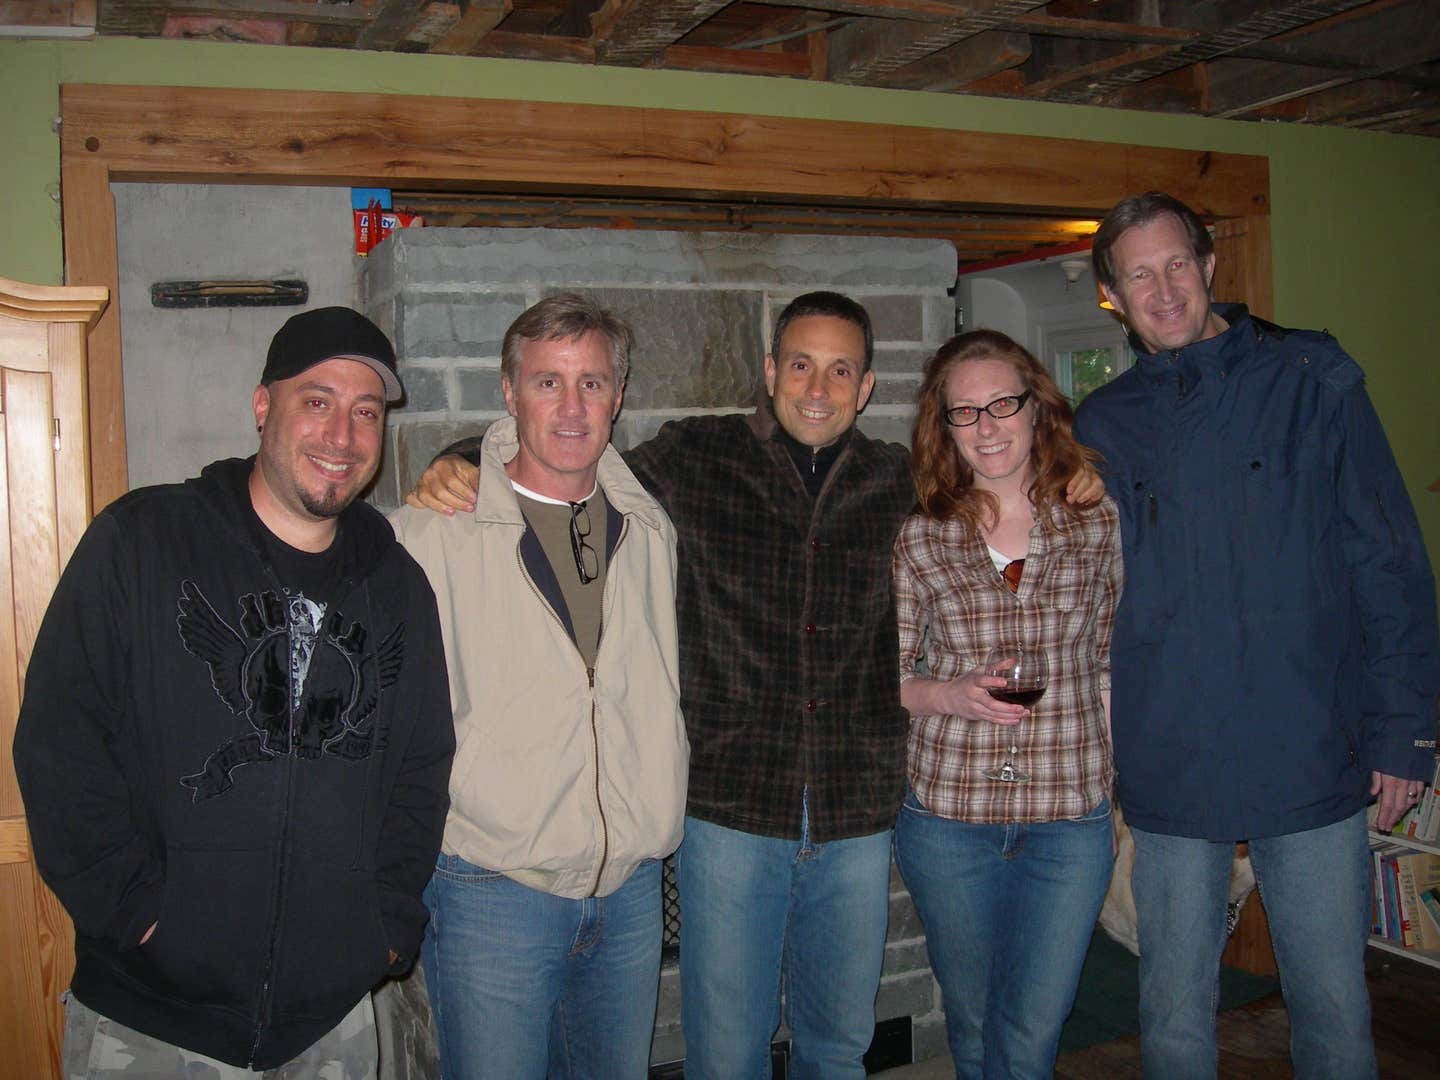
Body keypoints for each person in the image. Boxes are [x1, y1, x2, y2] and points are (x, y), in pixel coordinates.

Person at [411, 292, 1107, 1078]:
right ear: (771, 371)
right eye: (802, 364)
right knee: (727, 1050)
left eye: (840, 370)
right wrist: (468, 455)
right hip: (732, 810)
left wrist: (1071, 477)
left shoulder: (899, 482)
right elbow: (567, 461)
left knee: (838, 1044)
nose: (819, 387)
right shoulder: (693, 458)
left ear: (867, 386)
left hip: (854, 812)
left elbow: (1000, 480)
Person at [13, 307, 455, 1078]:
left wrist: (385, 925)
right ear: (263, 406)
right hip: (150, 1024)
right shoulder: (140, 542)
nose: (342, 436)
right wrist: (137, 915)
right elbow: (60, 743)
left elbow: (421, 769)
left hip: (332, 1027)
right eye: (316, 401)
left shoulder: (399, 589)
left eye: (365, 412)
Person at [1073, 191, 1440, 1079]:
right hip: (1171, 758)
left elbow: (1388, 558)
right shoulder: (1101, 427)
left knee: (1332, 1007)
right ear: (1113, 297)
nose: (1162, 291)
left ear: (1207, 267)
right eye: (1137, 276)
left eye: (1175, 267)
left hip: (1311, 742)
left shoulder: (1312, 379)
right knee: (1171, 1011)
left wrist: (1403, 734)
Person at [388, 294, 689, 1080]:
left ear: (618, 398)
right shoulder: (428, 534)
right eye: (547, 382)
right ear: (508, 391)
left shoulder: (649, 528)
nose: (570, 405)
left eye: (591, 383)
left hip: (626, 890)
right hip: (493, 891)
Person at [892, 330, 1122, 1078]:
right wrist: (951, 693)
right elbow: (881, 679)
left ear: (1036, 409)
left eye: (1002, 405)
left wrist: (1117, 789)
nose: (987, 427)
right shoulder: (922, 537)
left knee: (1034, 1022)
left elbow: (1113, 660)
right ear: (944, 427)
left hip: (1068, 816)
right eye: (965, 412)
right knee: (974, 1017)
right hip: (949, 819)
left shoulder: (1096, 523)